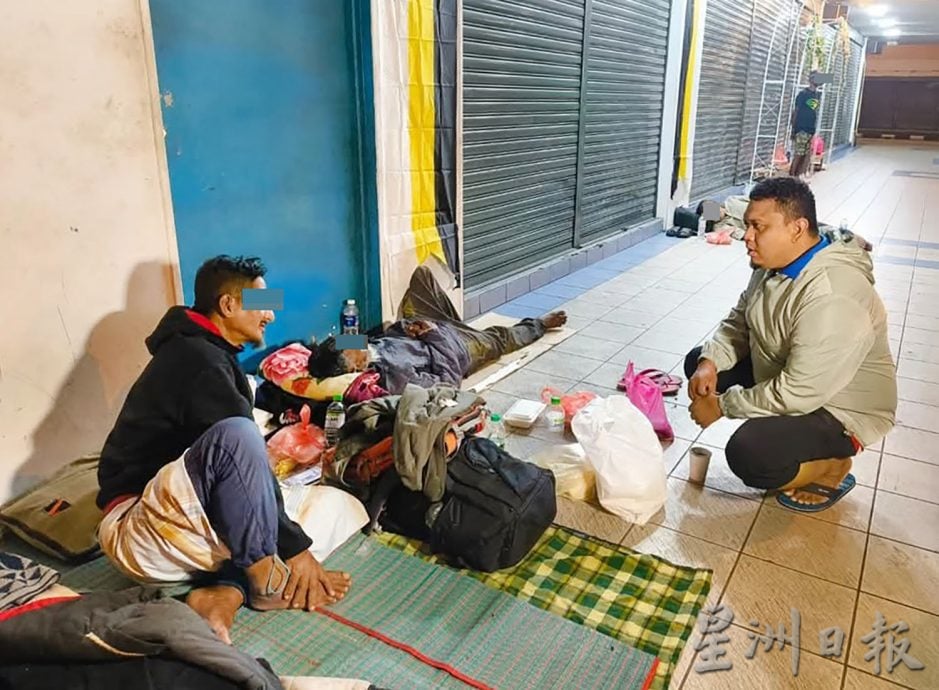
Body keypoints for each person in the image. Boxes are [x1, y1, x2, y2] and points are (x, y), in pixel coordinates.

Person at [96, 255, 368, 645]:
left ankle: (224, 591)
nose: (270, 317)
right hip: (142, 526)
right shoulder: (197, 359)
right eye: (262, 306)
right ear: (227, 305)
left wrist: (290, 539)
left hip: (180, 526)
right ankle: (264, 582)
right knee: (241, 437)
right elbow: (235, 451)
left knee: (330, 505)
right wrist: (296, 551)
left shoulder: (209, 354)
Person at [685, 178, 897, 512]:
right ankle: (776, 421)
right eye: (747, 226)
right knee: (698, 362)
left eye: (758, 227)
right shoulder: (773, 263)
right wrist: (710, 362)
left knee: (751, 453)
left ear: (797, 229)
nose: (747, 237)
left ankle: (832, 465)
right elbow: (740, 320)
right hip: (791, 371)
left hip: (838, 406)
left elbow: (801, 390)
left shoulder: (833, 295)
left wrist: (723, 406)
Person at [306, 266, 568, 394]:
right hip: (456, 349)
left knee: (422, 275)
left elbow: (386, 336)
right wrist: (433, 335)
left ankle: (453, 323)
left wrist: (406, 328)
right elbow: (449, 383)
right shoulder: (396, 376)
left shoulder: (366, 346)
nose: (353, 339)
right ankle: (539, 324)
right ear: (354, 368)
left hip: (430, 330)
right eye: (349, 347)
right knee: (499, 338)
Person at [789, 72, 822, 179]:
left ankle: (801, 174)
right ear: (811, 79)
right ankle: (792, 175)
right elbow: (796, 111)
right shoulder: (802, 94)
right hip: (801, 127)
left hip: (810, 128)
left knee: (807, 153)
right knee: (799, 152)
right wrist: (793, 128)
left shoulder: (817, 94)